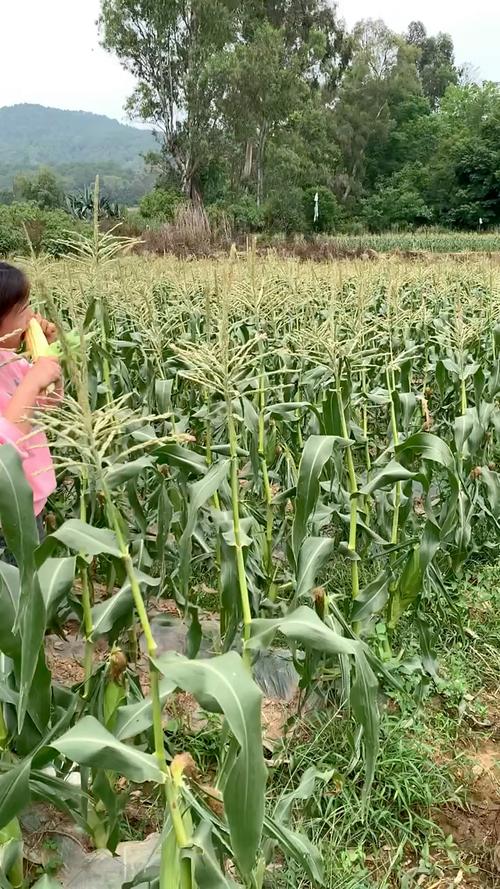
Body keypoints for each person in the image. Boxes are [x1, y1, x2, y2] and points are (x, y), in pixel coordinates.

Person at [0, 262, 62, 557]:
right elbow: (5, 452)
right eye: (23, 309)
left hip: (30, 506)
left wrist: (45, 359)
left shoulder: (13, 363)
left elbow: (48, 402)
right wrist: (33, 379)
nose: (32, 316)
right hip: (5, 519)